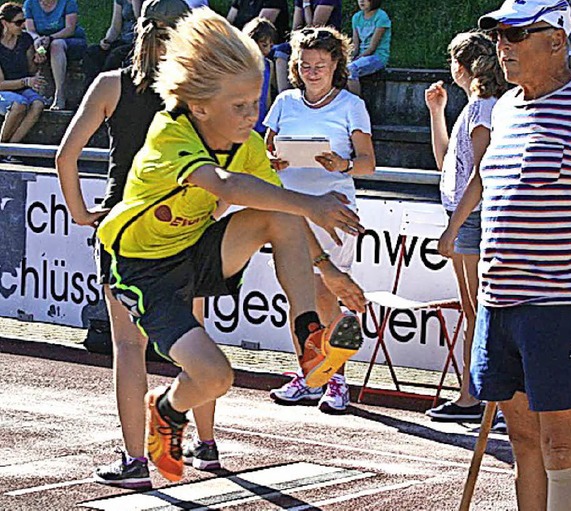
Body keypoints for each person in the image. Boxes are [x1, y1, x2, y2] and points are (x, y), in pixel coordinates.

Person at [96, 8, 366, 483]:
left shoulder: (248, 141)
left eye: (255, 101)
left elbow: (274, 206)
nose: (253, 116)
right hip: (141, 270)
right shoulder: (170, 134)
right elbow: (224, 185)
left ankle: (308, 338)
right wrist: (312, 202)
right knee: (216, 376)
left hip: (193, 248)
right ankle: (166, 410)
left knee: (280, 213)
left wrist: (328, 269)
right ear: (200, 106)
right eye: (239, 106)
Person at [441, 1, 571, 509]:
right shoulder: (505, 107)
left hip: (566, 307)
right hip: (501, 305)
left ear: (557, 40)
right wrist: (455, 228)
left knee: (565, 448)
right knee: (524, 444)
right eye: (498, 35)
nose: (502, 45)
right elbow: (486, 180)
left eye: (516, 33)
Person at [55, 0, 228, 490]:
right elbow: (224, 173)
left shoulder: (111, 84)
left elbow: (65, 156)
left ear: (138, 29)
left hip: (125, 226)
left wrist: (80, 211)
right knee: (193, 335)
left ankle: (135, 462)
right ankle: (207, 446)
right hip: (186, 226)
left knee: (128, 346)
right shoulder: (200, 95)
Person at [265, 26, 375, 413]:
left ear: (335, 66)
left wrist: (341, 163)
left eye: (321, 65)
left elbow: (368, 164)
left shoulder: (350, 105)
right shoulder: (283, 101)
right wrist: (273, 160)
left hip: (334, 210)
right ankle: (308, 374)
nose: (312, 72)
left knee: (327, 294)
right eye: (306, 65)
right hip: (289, 209)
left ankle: (336, 378)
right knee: (299, 297)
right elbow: (266, 152)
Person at [425, 30, 507, 422]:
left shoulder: (483, 108)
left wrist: (453, 228)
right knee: (474, 310)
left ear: (462, 66)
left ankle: (475, 396)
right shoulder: (475, 106)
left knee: (477, 311)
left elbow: (480, 174)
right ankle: (476, 395)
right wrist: (436, 111)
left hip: (471, 217)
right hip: (464, 214)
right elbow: (446, 163)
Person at [23, 0, 87, 110]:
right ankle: (31, 92)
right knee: (28, 46)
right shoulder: (30, 3)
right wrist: (37, 40)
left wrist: (50, 38)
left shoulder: (68, 2)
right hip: (42, 41)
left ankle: (60, 95)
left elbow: (69, 29)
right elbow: (30, 30)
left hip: (69, 40)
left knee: (56, 45)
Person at [0, 2, 45, 154]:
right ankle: (2, 146)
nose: (22, 26)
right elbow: (0, 85)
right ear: (4, 23)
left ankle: (11, 150)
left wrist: (37, 62)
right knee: (19, 104)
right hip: (5, 90)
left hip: (22, 87)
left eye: (24, 21)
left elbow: (31, 71)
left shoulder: (25, 40)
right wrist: (26, 81)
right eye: (18, 22)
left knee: (38, 104)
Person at [273, 0, 342, 93]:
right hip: (304, 40)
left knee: (283, 51)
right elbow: (296, 28)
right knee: (278, 50)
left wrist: (306, 5)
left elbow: (314, 27)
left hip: (325, 41)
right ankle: (284, 94)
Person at [82, 0, 138, 90]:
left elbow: (142, 20)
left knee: (114, 57)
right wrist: (107, 40)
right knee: (92, 52)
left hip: (139, 43)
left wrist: (136, 3)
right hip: (123, 41)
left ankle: (105, 92)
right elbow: (115, 27)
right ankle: (90, 91)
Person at [347, 0, 391, 96]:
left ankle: (356, 103)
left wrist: (357, 59)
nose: (362, 1)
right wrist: (348, 57)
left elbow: (372, 48)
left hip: (377, 57)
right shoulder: (356, 17)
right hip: (361, 56)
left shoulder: (381, 17)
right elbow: (355, 45)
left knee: (351, 69)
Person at [242, 17, 277, 135]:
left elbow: (267, 95)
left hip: (261, 119)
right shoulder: (242, 65)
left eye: (271, 46)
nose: (267, 50)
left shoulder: (269, 65)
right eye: (264, 45)